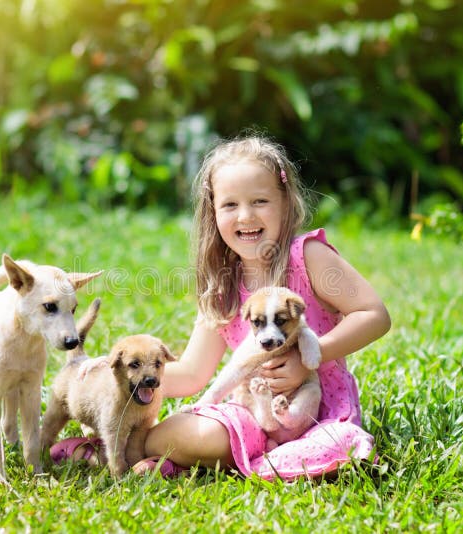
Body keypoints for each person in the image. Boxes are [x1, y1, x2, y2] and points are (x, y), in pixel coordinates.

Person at [52, 135, 391, 480]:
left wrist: (310, 356)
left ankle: (170, 458)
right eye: (230, 205)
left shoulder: (308, 257)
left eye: (260, 201)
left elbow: (374, 315)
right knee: (180, 433)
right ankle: (150, 453)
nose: (246, 216)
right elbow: (193, 374)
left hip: (317, 412)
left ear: (285, 201)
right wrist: (119, 372)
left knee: (340, 443)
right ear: (212, 212)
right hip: (251, 414)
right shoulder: (222, 285)